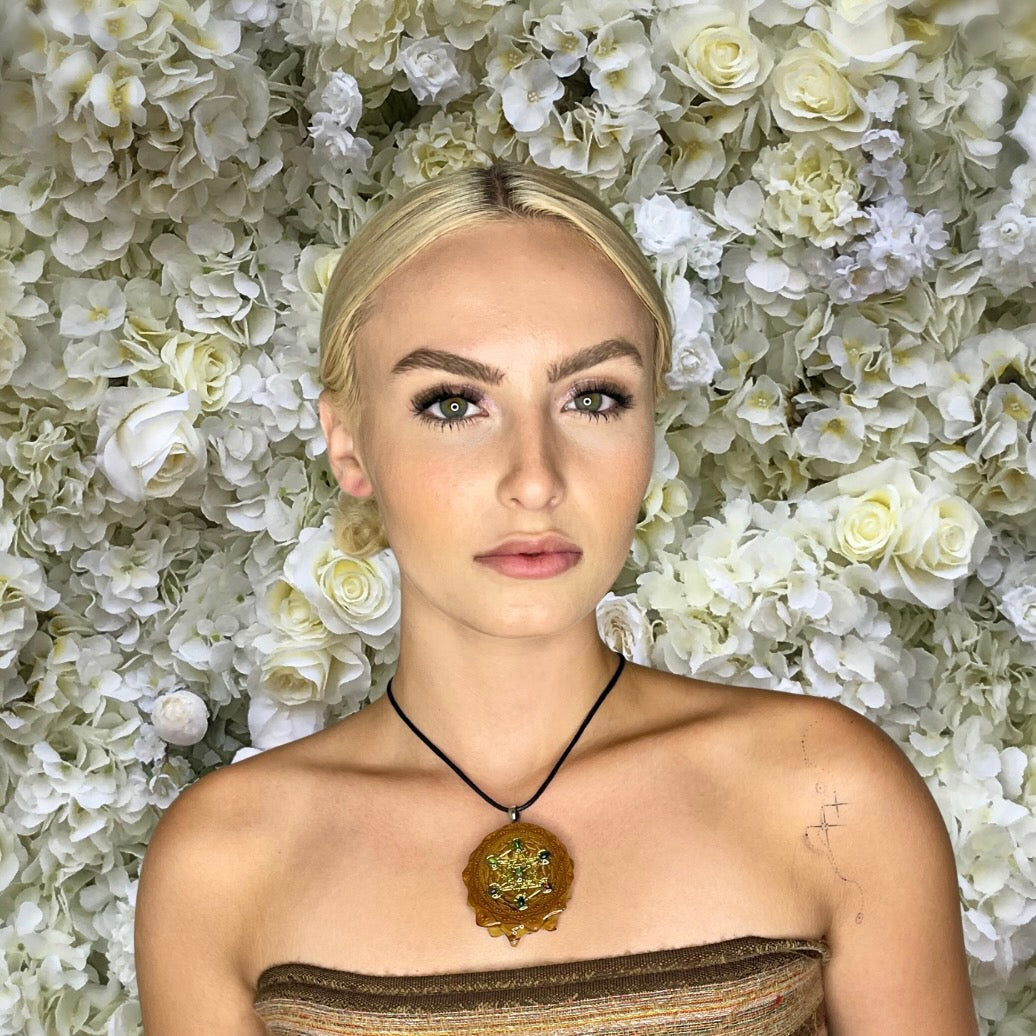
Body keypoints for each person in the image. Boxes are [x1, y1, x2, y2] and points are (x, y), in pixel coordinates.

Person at [133, 161, 978, 1035]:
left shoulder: (828, 795)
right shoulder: (223, 861)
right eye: (454, 404)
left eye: (594, 397)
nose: (534, 479)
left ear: (651, 425)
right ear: (347, 444)